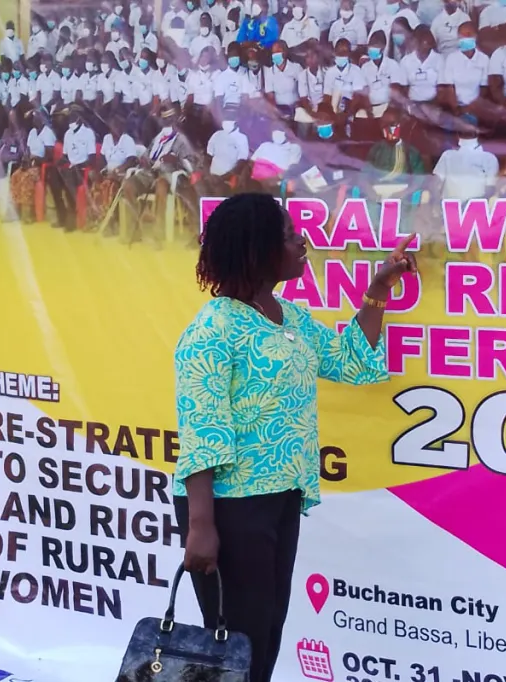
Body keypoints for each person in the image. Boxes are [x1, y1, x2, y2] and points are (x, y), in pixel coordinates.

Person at [176, 192, 416, 682]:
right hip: (230, 506)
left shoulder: (287, 316)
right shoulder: (213, 329)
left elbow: (349, 359)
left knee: (264, 633)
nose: (301, 242)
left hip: (280, 498)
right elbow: (202, 430)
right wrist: (201, 527)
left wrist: (378, 288)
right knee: (235, 640)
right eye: (288, 236)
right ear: (258, 249)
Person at [123, 105, 203, 244]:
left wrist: (176, 159)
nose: (166, 122)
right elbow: (146, 157)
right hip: (149, 173)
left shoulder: (180, 140)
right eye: (163, 119)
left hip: (169, 175)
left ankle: (158, 233)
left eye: (169, 119)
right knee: (128, 185)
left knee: (161, 185)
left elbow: (192, 163)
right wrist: (144, 161)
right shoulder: (157, 139)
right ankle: (136, 230)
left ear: (173, 120)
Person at [48, 109, 97, 230]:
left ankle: (72, 218)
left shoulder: (88, 133)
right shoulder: (67, 134)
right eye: (68, 118)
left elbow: (91, 158)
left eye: (72, 118)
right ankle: (61, 215)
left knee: (68, 177)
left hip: (82, 168)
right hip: (69, 167)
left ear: (79, 119)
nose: (70, 121)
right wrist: (59, 162)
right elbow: (65, 156)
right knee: (53, 176)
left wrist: (77, 165)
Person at [433, 113, 499, 202]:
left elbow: (490, 190)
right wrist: (435, 202)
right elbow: (435, 183)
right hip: (450, 209)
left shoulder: (488, 158)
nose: (465, 128)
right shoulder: (448, 155)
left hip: (476, 209)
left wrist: (469, 204)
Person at [92, 115, 139, 226]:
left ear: (123, 128)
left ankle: (110, 222)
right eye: (114, 126)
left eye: (119, 126)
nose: (116, 129)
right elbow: (102, 159)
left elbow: (132, 160)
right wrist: (99, 171)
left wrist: (118, 170)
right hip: (108, 172)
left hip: (122, 173)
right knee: (95, 184)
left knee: (110, 186)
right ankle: (98, 219)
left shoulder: (128, 140)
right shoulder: (107, 139)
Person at [12, 110, 57, 223]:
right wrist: (26, 159)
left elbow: (50, 156)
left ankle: (27, 214)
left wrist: (36, 159)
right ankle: (16, 210)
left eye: (36, 118)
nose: (33, 120)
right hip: (30, 163)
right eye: (33, 118)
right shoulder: (32, 132)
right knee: (15, 176)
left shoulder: (48, 133)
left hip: (41, 165)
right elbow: (27, 150)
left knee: (26, 178)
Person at [437, 21, 489, 119]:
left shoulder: (484, 59)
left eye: (468, 35)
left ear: (475, 37)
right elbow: (450, 88)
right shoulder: (451, 58)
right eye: (461, 36)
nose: (465, 38)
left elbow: (483, 89)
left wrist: (472, 108)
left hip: (477, 108)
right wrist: (456, 109)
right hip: (456, 108)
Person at [359, 31, 406, 123]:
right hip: (371, 107)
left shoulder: (392, 65)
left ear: (383, 47)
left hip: (387, 106)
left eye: (376, 45)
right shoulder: (365, 67)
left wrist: (390, 109)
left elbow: (396, 90)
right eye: (371, 45)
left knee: (391, 117)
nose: (372, 48)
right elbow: (364, 92)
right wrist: (368, 107)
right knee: (359, 116)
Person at [265, 41, 305, 118]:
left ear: (285, 52)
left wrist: (299, 106)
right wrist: (277, 112)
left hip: (297, 107)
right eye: (273, 52)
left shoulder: (296, 68)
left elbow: (303, 91)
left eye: (278, 51)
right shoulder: (269, 72)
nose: (275, 54)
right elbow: (270, 96)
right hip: (279, 109)